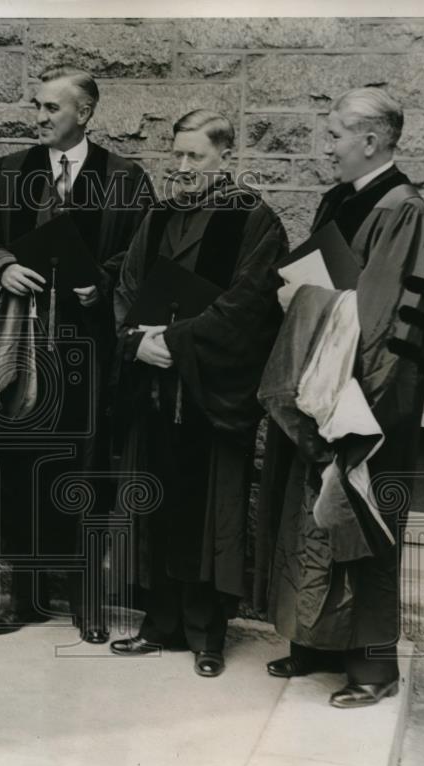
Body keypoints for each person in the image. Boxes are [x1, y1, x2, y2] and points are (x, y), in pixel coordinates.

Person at [258, 88, 424, 707]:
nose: (326, 145)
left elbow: (387, 318)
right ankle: (315, 641)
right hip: (320, 379)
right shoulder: (340, 200)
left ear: (371, 140)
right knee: (312, 514)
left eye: (334, 134)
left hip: (367, 391)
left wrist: (356, 404)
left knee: (364, 519)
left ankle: (372, 665)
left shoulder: (402, 208)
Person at [0, 66, 154, 643]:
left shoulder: (123, 178)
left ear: (85, 114)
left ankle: (86, 602)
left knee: (82, 474)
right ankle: (22, 597)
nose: (40, 118)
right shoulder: (10, 172)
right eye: (38, 107)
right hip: (20, 352)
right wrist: (5, 267)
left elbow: (140, 258)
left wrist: (104, 284)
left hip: (87, 354)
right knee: (18, 467)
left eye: (52, 108)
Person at [108, 110, 288, 676]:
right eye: (177, 155)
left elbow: (249, 306)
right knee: (157, 508)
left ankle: (208, 635)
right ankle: (158, 625)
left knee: (212, 517)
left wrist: (178, 342)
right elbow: (128, 285)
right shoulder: (158, 215)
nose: (182, 168)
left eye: (196, 157)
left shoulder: (255, 221)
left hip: (210, 396)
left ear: (226, 158)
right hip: (156, 394)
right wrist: (135, 341)